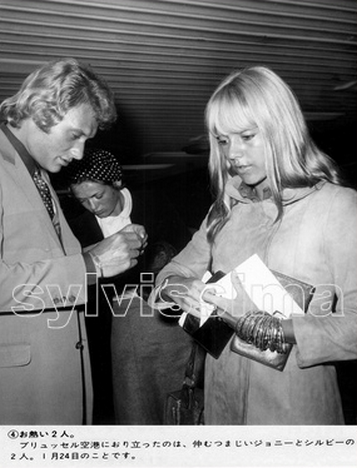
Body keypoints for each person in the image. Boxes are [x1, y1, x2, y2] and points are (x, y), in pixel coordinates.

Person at [150, 66, 357, 425]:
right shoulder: (226, 207)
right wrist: (179, 289)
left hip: (294, 408)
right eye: (223, 140)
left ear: (282, 130)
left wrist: (278, 330)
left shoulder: (336, 206)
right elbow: (172, 272)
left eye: (246, 136)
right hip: (221, 402)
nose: (233, 154)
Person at [0, 58, 147, 425]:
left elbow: (42, 262)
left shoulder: (38, 174)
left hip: (57, 383)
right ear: (41, 108)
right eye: (75, 135)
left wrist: (101, 254)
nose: (80, 153)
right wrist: (91, 265)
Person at [65, 147, 193, 425]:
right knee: (131, 407)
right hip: (110, 334)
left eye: (98, 196)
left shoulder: (156, 204)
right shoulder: (76, 228)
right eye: (83, 200)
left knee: (176, 405)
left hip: (167, 328)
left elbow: (186, 257)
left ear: (117, 183)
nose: (93, 207)